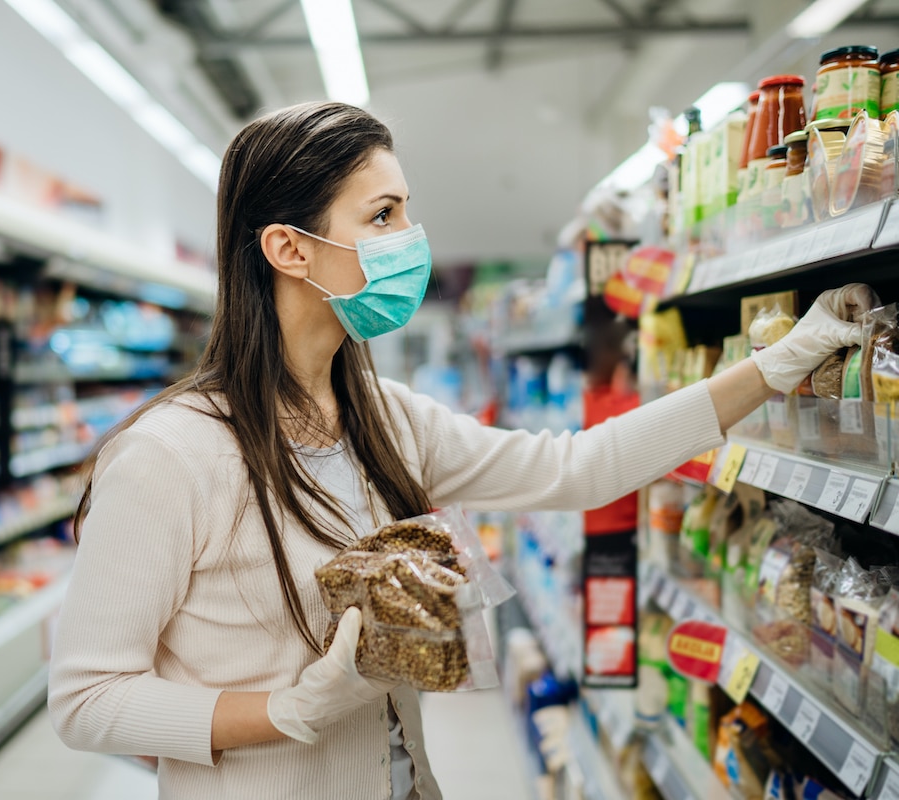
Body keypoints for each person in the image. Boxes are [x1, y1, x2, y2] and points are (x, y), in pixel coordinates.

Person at [47, 101, 862, 800]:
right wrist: (286, 711)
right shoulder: (171, 455)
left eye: (405, 211)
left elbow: (577, 468)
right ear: (289, 249)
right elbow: (87, 698)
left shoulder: (386, 419)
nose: (411, 239)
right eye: (381, 216)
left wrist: (777, 366)